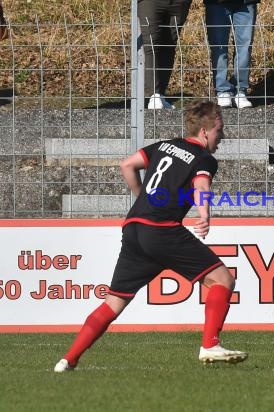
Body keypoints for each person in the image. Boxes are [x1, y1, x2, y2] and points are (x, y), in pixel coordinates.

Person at [54, 101, 248, 372]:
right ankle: (210, 345)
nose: (222, 136)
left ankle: (68, 360)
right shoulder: (204, 158)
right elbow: (201, 184)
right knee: (222, 279)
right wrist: (204, 214)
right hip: (162, 229)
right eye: (219, 130)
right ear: (205, 132)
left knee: (114, 302)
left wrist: (142, 198)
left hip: (134, 228)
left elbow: (127, 165)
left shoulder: (163, 145)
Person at [138, 0, 192, 110]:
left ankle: (161, 95)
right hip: (149, 3)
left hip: (179, 3)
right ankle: (154, 95)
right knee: (151, 45)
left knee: (170, 45)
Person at [205, 0, 259, 109]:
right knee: (218, 46)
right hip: (217, 4)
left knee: (245, 46)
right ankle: (222, 90)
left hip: (246, 3)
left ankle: (240, 90)